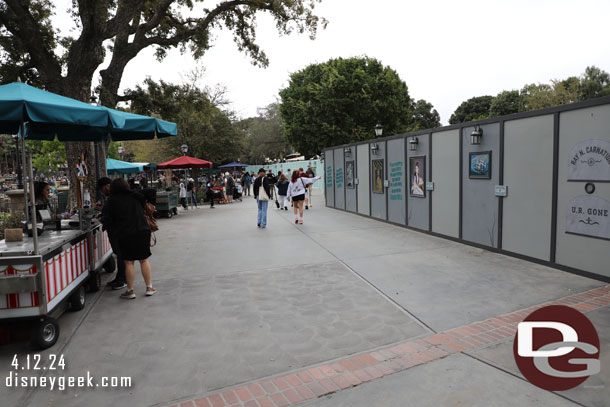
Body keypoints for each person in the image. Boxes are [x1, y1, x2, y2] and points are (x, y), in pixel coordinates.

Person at [106, 178, 156, 299]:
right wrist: (151, 204)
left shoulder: (111, 201)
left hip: (125, 233)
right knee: (144, 260)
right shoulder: (135, 195)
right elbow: (152, 191)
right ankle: (149, 287)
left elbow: (110, 219)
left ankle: (130, 290)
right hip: (142, 230)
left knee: (128, 262)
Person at [97, 177, 126, 290]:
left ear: (107, 186)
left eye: (101, 189)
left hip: (117, 230)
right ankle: (120, 278)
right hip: (116, 230)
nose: (101, 191)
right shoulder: (114, 198)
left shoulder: (114, 199)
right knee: (120, 255)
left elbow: (112, 216)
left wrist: (103, 219)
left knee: (121, 255)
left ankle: (122, 279)